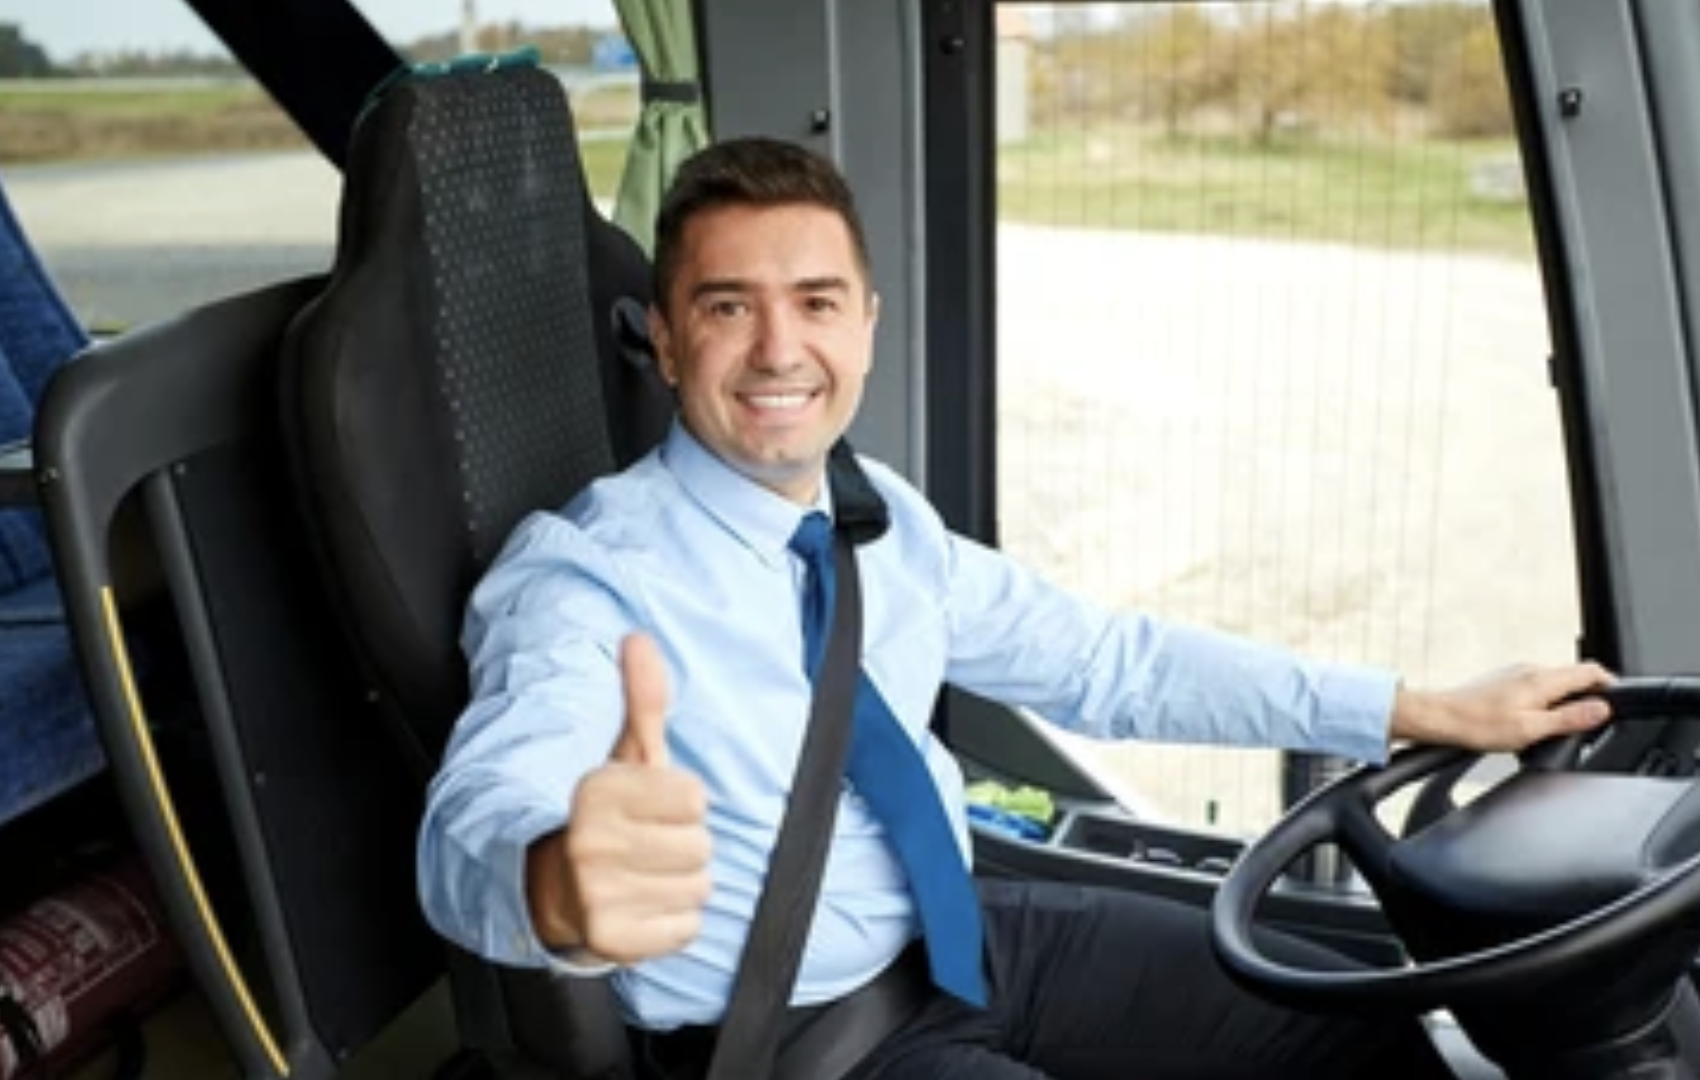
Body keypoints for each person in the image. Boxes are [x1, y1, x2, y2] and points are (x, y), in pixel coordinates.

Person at [416, 136, 1613, 1080]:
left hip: (965, 945)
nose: (778, 348)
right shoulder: (584, 576)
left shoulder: (875, 514)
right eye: (728, 307)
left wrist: (1416, 707)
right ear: (666, 343)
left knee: (1350, 1025)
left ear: (865, 328)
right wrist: (550, 882)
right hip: (799, 1042)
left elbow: (1107, 662)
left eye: (816, 302)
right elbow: (477, 811)